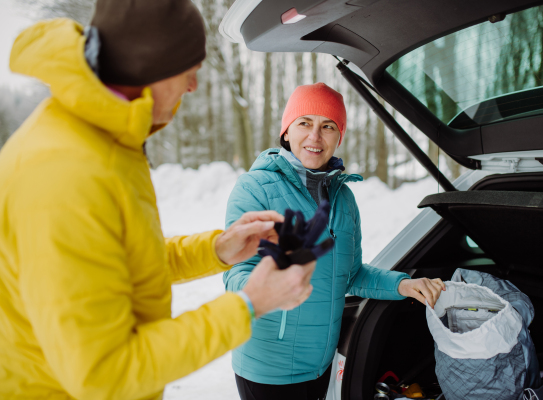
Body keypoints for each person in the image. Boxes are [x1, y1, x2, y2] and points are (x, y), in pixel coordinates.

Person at [0, 1, 316, 399]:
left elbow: (119, 265)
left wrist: (216, 249)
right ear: (151, 66)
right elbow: (106, 374)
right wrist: (248, 305)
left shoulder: (101, 133)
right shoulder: (66, 176)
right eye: (189, 71)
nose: (192, 86)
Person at [224, 82, 446, 400]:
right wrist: (265, 289)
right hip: (268, 367)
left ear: (338, 136)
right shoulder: (255, 189)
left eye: (327, 126)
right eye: (305, 123)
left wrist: (404, 285)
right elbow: (235, 272)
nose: (315, 137)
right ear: (286, 132)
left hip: (321, 365)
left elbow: (352, 275)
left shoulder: (344, 199)